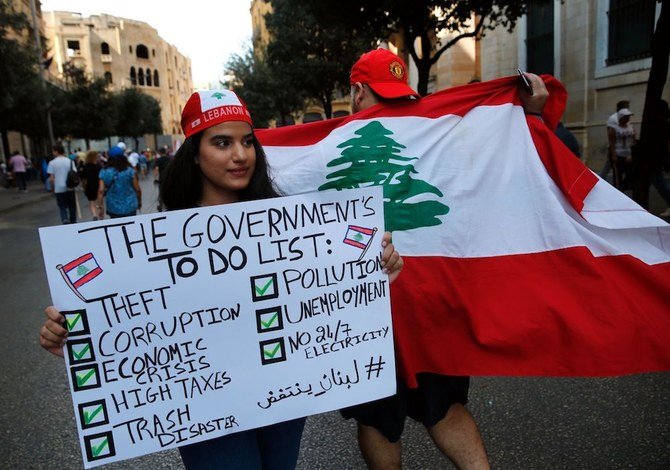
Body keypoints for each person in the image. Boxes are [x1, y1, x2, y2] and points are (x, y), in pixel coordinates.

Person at [39, 88, 404, 470]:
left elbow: (323, 291)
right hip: (205, 406)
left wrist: (373, 273)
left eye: (247, 141)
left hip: (282, 395)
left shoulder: (288, 225)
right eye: (222, 142)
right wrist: (69, 332)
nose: (240, 155)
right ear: (195, 153)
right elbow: (118, 318)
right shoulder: (151, 244)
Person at [343, 48, 548, 470]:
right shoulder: (430, 136)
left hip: (402, 310)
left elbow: (502, 168)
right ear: (359, 93)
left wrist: (525, 116)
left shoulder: (331, 149)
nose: (396, 111)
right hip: (385, 312)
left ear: (354, 93)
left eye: (401, 101)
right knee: (409, 411)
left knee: (407, 412)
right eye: (387, 100)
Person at [97, 145, 141, 219]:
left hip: (113, 206)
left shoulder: (104, 171)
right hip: (130, 205)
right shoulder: (130, 171)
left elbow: (101, 190)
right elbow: (137, 189)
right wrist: (139, 201)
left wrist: (100, 207)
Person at [47, 143, 77, 224]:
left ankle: (64, 218)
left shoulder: (52, 163)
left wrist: (52, 188)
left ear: (56, 151)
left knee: (62, 206)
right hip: (70, 187)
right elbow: (74, 173)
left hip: (58, 188)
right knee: (72, 206)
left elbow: (52, 178)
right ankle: (73, 221)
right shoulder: (70, 161)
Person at [609, 108, 636, 191]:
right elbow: (612, 142)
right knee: (618, 175)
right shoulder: (614, 128)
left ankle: (624, 187)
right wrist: (613, 154)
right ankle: (618, 190)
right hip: (618, 154)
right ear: (621, 118)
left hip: (628, 155)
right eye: (626, 116)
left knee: (630, 173)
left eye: (628, 116)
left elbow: (633, 141)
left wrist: (631, 154)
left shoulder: (631, 127)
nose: (628, 118)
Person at [602, 100, 630, 181]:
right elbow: (610, 133)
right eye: (625, 107)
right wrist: (612, 148)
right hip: (615, 148)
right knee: (613, 168)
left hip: (624, 149)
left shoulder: (626, 117)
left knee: (611, 166)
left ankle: (602, 178)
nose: (626, 109)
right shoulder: (613, 118)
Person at [79, 150, 101, 220]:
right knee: (99, 200)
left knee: (91, 201)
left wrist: (84, 186)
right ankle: (99, 212)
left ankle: (94, 215)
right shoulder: (98, 166)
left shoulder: (85, 167)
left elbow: (82, 178)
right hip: (98, 185)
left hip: (89, 186)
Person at [153, 146, 171, 211]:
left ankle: (160, 205)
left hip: (162, 179)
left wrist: (155, 178)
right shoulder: (170, 158)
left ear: (159, 152)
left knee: (161, 192)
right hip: (170, 177)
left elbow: (156, 169)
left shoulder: (158, 160)